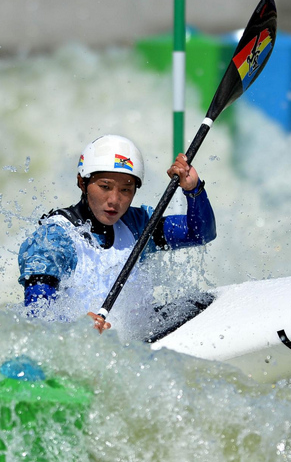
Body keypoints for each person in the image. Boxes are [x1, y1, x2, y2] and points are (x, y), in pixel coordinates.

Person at [18, 134, 216, 335]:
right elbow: (37, 316)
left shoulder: (138, 224)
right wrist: (74, 327)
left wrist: (194, 190)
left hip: (135, 339)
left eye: (126, 189)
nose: (114, 200)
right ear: (81, 182)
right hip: (75, 346)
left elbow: (200, 233)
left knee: (198, 302)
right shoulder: (53, 238)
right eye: (105, 187)